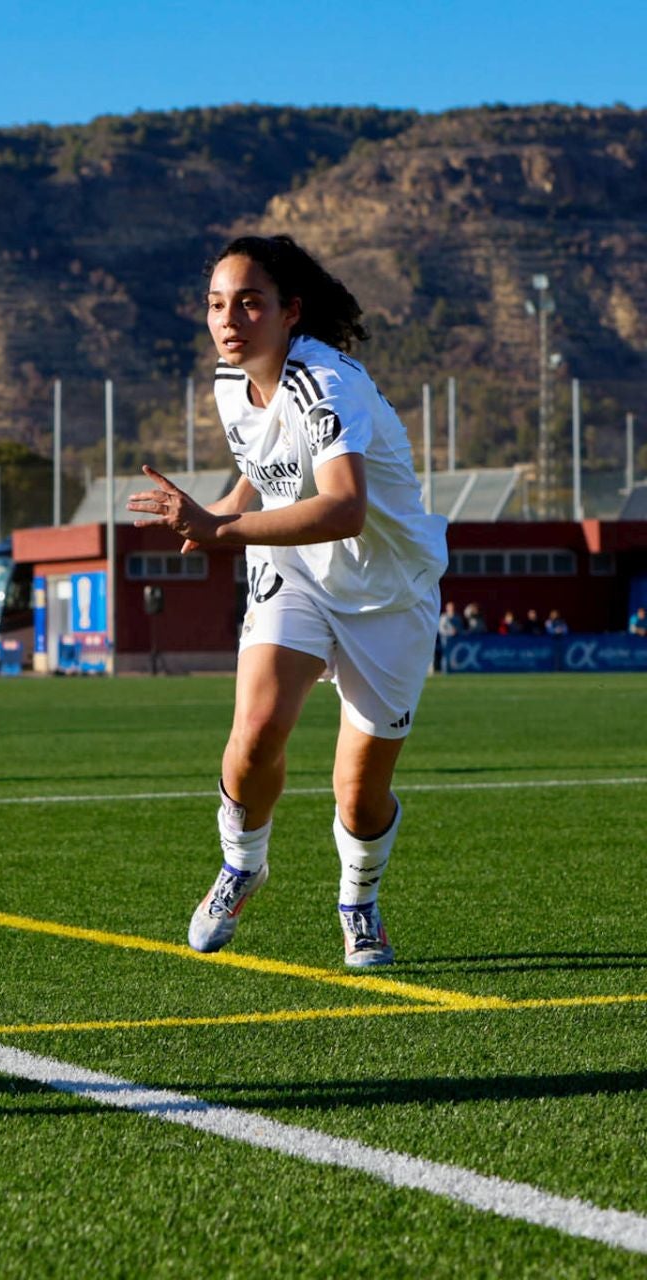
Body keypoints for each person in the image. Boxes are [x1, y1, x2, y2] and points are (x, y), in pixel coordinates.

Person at [127, 234, 447, 968]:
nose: (229, 318)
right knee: (255, 734)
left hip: (389, 594)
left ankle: (358, 903)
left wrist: (220, 529)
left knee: (358, 796)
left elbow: (344, 509)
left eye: (249, 302)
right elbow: (264, 468)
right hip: (294, 572)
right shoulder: (230, 383)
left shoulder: (324, 383)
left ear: (289, 312)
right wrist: (221, 509)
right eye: (215, 304)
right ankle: (243, 863)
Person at [435, 601, 459, 673]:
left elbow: (459, 628)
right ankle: (445, 670)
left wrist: (456, 632)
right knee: (446, 654)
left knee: (453, 655)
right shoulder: (443, 617)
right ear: (447, 608)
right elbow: (441, 629)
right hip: (445, 639)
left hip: (454, 639)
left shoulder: (457, 617)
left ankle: (453, 669)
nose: (451, 608)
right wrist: (450, 633)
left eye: (452, 607)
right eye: (450, 607)